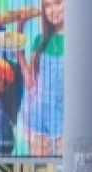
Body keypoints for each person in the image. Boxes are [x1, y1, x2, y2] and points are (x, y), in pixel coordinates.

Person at [18, 0, 65, 156]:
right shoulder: (40, 41)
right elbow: (30, 83)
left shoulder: (81, 41)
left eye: (57, 3)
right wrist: (20, 27)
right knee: (41, 171)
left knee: (66, 168)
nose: (52, 10)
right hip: (37, 115)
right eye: (47, 6)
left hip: (64, 116)